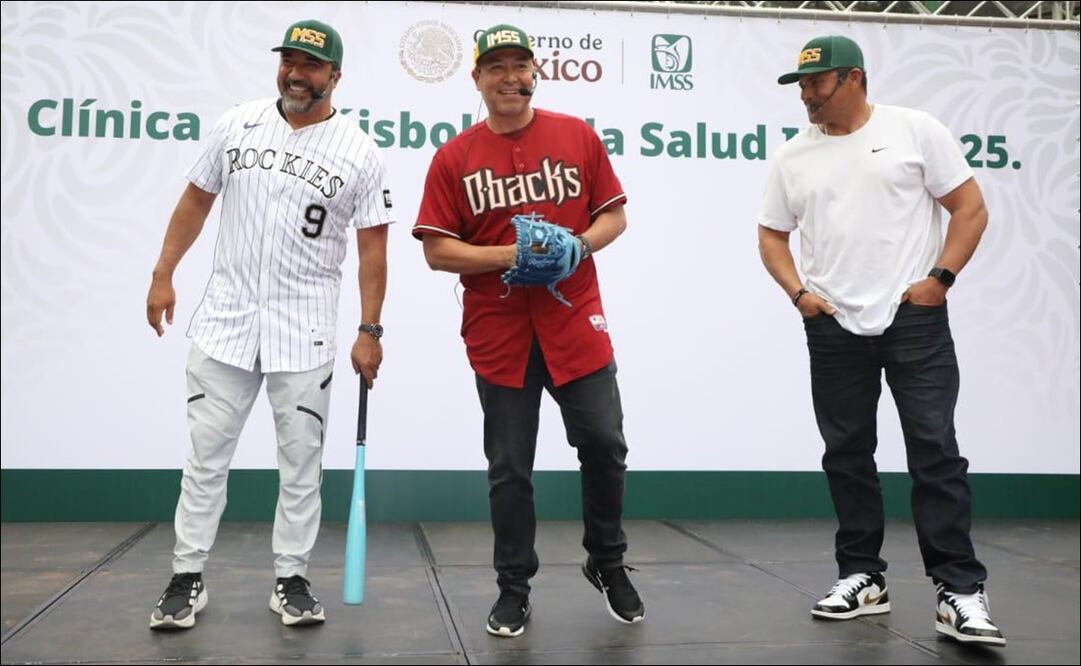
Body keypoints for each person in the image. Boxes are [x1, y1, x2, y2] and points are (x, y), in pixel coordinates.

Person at [144, 19, 393, 629]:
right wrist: (163, 273)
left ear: (335, 76)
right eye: (289, 61)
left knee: (301, 465)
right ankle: (186, 576)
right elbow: (195, 201)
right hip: (225, 324)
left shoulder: (360, 151)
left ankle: (292, 579)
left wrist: (370, 329)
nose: (296, 73)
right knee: (205, 459)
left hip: (304, 331)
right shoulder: (238, 124)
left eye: (310, 65)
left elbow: (373, 250)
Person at [758, 35, 1004, 647]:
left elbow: (970, 208)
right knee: (846, 452)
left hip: (913, 318)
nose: (807, 95)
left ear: (854, 78)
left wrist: (940, 279)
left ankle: (959, 591)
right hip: (832, 322)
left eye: (817, 83)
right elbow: (771, 235)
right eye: (801, 85)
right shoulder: (793, 156)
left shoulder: (914, 130)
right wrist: (799, 295)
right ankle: (862, 576)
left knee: (934, 450)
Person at [412, 23, 644, 638]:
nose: (510, 78)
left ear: (534, 72)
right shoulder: (454, 157)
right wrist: (509, 256)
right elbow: (437, 251)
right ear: (478, 78)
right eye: (497, 68)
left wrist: (577, 246)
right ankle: (513, 586)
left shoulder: (576, 135)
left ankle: (607, 561)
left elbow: (614, 217)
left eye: (520, 66)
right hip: (500, 332)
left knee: (605, 444)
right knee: (510, 468)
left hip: (575, 323)